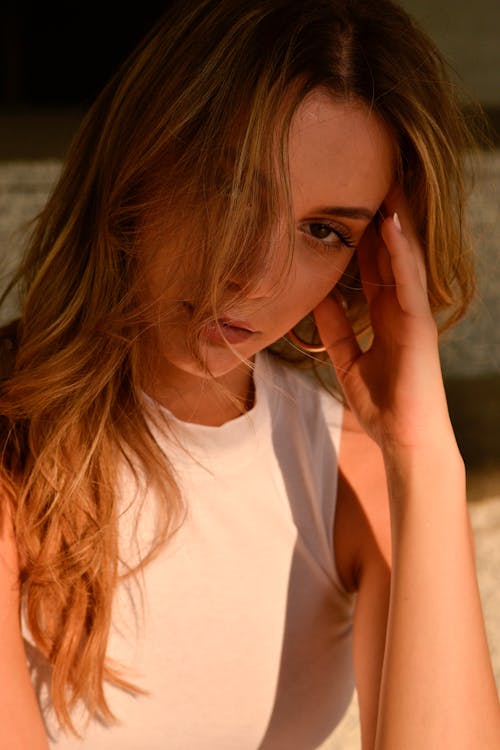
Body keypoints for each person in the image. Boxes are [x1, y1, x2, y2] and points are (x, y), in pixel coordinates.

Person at [0, 0, 499, 747]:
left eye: (323, 231)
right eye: (234, 188)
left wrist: (425, 456)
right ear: (143, 162)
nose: (256, 278)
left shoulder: (355, 475)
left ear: (364, 265)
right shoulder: (14, 456)